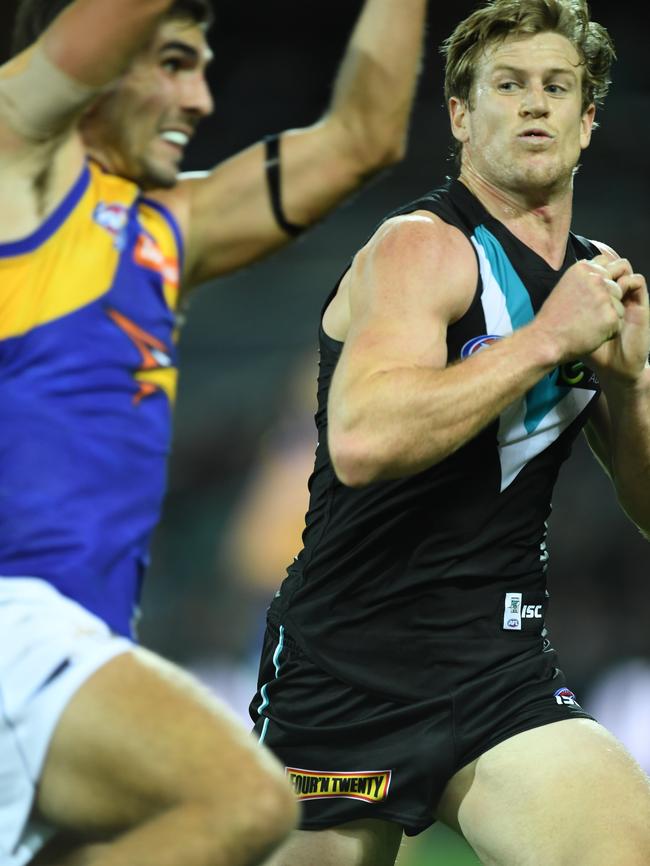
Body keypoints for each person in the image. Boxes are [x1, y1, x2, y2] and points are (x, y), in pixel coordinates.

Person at [0, 0, 429, 864]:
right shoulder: (16, 166)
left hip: (70, 641)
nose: (201, 98)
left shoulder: (167, 228)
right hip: (16, 618)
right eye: (170, 63)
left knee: (318, 854)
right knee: (241, 800)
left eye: (202, 67)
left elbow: (363, 136)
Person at [249, 1, 650, 864]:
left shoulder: (595, 281)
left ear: (587, 121)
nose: (535, 104)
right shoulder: (419, 248)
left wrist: (629, 385)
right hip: (346, 670)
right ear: (463, 115)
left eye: (557, 87)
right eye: (508, 85)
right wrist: (547, 341)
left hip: (499, 668)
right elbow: (362, 443)